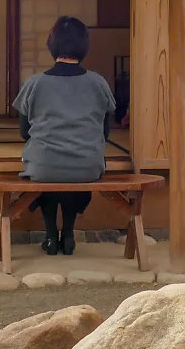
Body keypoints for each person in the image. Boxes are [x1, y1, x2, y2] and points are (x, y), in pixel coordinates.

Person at [13, 16, 115, 256]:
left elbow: (23, 132)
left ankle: (50, 235)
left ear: (52, 44)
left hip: (43, 165)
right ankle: (68, 233)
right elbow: (105, 130)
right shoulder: (98, 83)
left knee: (48, 165)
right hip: (87, 165)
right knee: (74, 166)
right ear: (84, 46)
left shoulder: (34, 83)